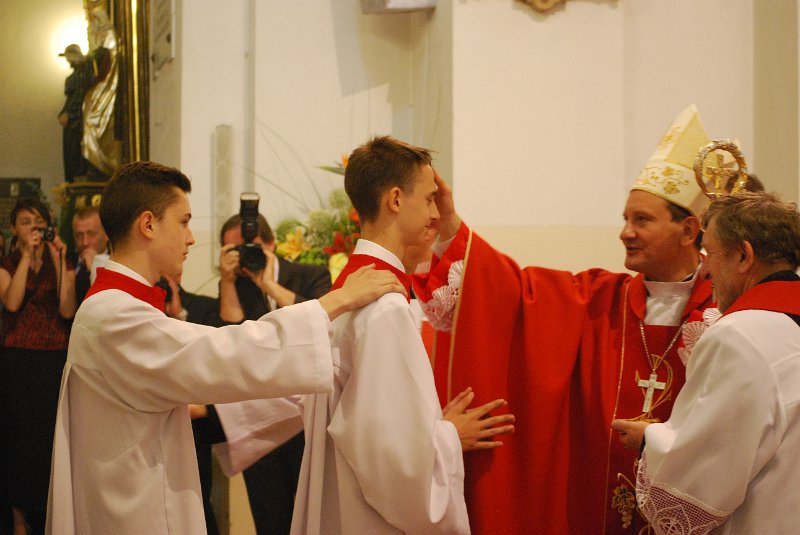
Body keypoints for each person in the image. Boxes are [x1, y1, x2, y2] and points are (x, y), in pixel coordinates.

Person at [45, 161, 405, 534]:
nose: (191, 238)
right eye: (183, 222)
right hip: (133, 510)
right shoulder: (113, 316)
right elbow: (223, 352)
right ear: (148, 224)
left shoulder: (115, 306)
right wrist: (335, 301)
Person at [412, 105, 723, 534]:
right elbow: (512, 293)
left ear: (688, 231)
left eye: (642, 220)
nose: (625, 232)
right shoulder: (600, 300)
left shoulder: (724, 318)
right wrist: (450, 225)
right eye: (625, 218)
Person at [291, 136, 515, 535]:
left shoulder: (349, 290)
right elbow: (394, 467)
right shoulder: (385, 308)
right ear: (395, 200)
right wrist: (451, 436)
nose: (435, 214)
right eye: (429, 199)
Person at [634, 192, 800, 534]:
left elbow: (694, 486)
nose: (706, 269)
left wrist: (648, 440)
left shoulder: (740, 335)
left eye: (709, 253)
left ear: (744, 256)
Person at [205, 212, 332, 535]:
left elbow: (322, 321)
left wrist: (269, 285)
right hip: (260, 423)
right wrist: (228, 282)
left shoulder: (310, 273)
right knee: (270, 521)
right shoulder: (236, 284)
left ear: (272, 243)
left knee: (314, 519)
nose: (245, 255)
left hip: (306, 419)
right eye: (235, 250)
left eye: (252, 247)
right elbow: (228, 339)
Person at [0, 198, 76, 535]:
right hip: (17, 357)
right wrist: (27, 257)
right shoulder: (7, 262)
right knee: (17, 437)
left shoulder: (60, 258)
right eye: (25, 221)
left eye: (38, 220)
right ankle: (18, 519)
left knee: (48, 436)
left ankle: (50, 515)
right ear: (14, 229)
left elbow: (67, 309)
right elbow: (12, 302)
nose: (33, 226)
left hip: (53, 355)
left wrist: (59, 260)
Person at [57, 44, 91, 182]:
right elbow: (71, 98)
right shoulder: (74, 76)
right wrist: (63, 113)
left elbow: (79, 96)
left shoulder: (82, 74)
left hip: (77, 119)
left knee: (75, 150)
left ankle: (77, 175)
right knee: (70, 153)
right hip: (72, 119)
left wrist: (69, 114)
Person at [71, 205, 109, 302]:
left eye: (91, 234)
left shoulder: (117, 262)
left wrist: (94, 267)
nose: (85, 242)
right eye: (79, 235)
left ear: (106, 234)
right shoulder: (67, 262)